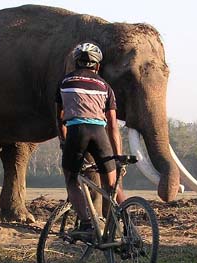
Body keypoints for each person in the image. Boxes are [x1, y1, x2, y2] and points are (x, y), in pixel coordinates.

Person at [55, 42, 125, 233]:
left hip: (76, 133)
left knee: (71, 180)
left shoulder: (64, 82)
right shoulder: (105, 86)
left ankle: (86, 224)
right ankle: (128, 224)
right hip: (100, 134)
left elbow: (60, 118)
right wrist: (117, 157)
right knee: (112, 183)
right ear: (97, 66)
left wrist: (64, 142)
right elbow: (112, 124)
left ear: (76, 62)